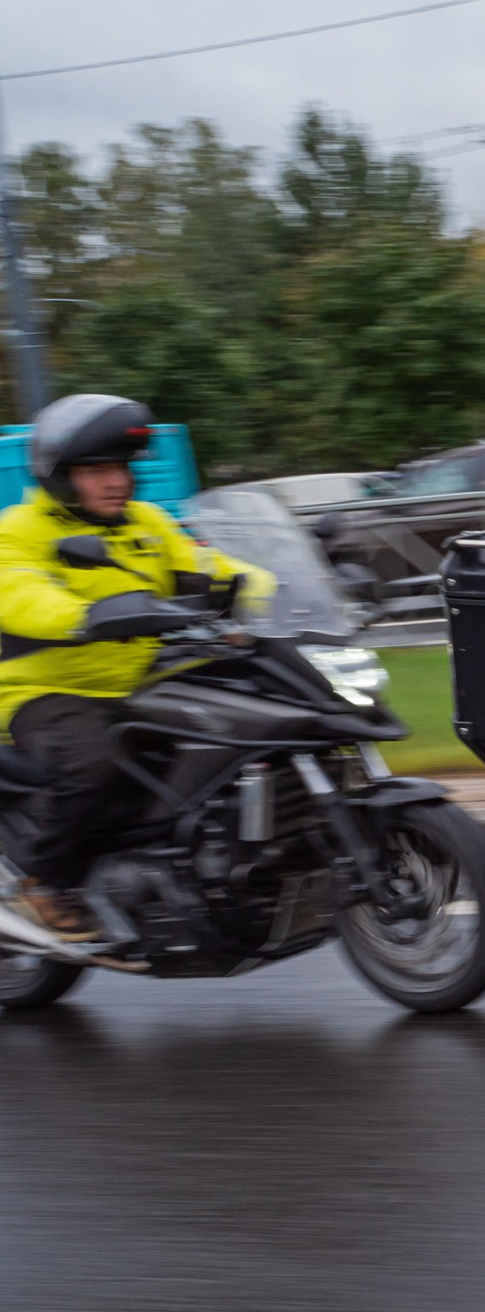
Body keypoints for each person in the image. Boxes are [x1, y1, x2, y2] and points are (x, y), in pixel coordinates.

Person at [0, 395, 267, 939]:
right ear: (58, 476)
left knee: (227, 735)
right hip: (43, 691)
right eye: (97, 470)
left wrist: (261, 591)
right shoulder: (20, 530)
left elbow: (208, 568)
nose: (116, 481)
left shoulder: (146, 523)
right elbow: (18, 594)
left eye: (121, 467)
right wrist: (83, 617)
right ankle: (44, 884)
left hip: (139, 682)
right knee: (95, 761)